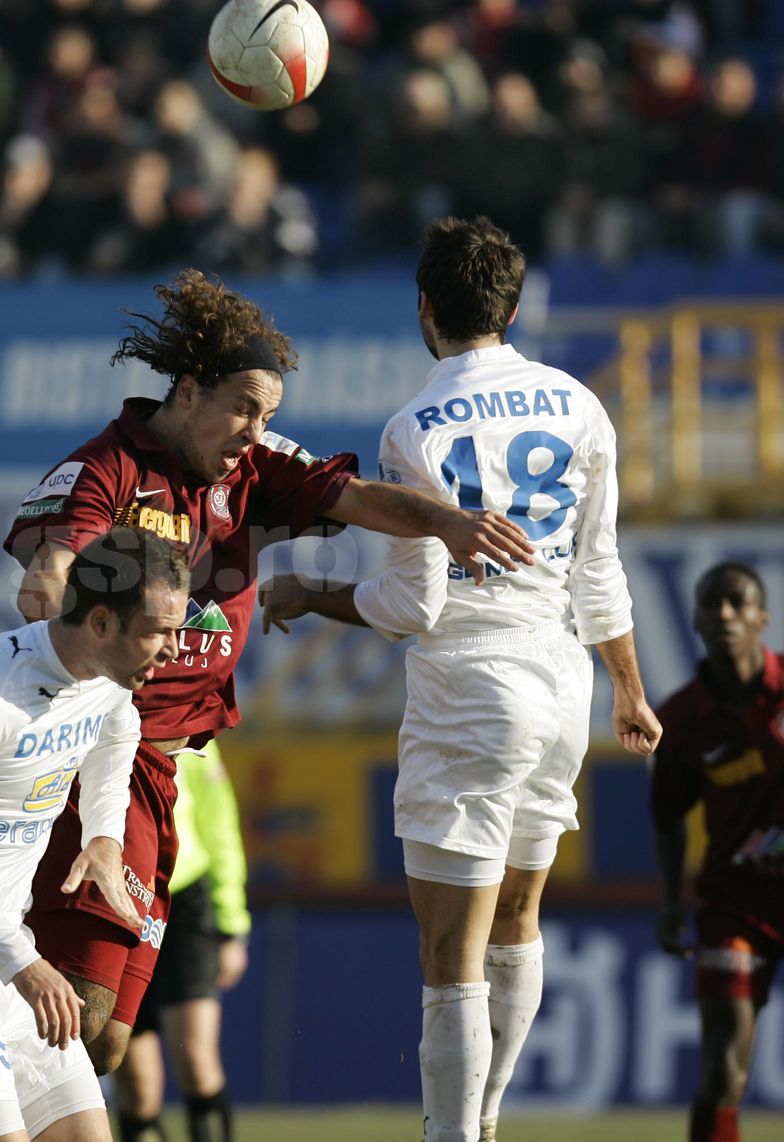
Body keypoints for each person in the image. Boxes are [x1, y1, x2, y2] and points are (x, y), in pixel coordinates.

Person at [4, 266, 537, 1075]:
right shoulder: (111, 466)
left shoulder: (255, 468)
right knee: (74, 1016)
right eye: (243, 408)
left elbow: (361, 500)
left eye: (268, 414)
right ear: (187, 393)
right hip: (94, 759)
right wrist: (51, 586)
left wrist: (451, 525)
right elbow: (56, 557)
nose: (255, 428)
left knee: (106, 1041)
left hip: (170, 770)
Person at [259, 216, 662, 1142]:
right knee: (519, 915)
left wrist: (310, 593)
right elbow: (598, 569)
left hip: (472, 686)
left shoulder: (413, 429)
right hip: (564, 683)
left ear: (425, 310)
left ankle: (454, 1135)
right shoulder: (578, 404)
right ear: (513, 309)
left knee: (451, 948)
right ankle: (482, 1120)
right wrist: (629, 692)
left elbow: (414, 608)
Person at [0, 528, 190, 1142]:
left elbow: (119, 728)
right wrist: (27, 965)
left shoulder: (108, 683)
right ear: (100, 621)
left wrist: (103, 834)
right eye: (159, 632)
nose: (175, 651)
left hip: (10, 959)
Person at [650, 562, 784, 1142]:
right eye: (712, 605)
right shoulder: (681, 721)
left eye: (737, 603)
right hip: (733, 906)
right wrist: (671, 900)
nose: (725, 614)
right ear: (698, 620)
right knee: (724, 1066)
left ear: (763, 617)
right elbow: (668, 816)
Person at [112, 739, 250, 1142]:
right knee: (136, 1088)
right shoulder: (94, 715)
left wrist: (231, 925)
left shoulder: (190, 731)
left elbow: (220, 826)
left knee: (196, 1064)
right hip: (119, 903)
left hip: (183, 901)